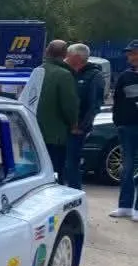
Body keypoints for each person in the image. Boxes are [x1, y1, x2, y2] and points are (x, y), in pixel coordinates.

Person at [36, 40, 79, 185]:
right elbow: (69, 105)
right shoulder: (64, 75)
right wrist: (73, 124)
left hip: (35, 132)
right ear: (65, 54)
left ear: (46, 52)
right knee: (55, 172)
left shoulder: (37, 71)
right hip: (56, 134)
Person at [64, 43, 105, 190]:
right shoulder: (68, 73)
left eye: (68, 56)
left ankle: (74, 192)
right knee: (62, 164)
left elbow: (94, 105)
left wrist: (81, 127)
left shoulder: (95, 76)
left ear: (76, 57)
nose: (65, 59)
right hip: (64, 127)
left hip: (77, 129)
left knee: (72, 164)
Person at [109, 39, 138, 220]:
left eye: (133, 53)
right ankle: (125, 206)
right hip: (127, 127)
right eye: (129, 54)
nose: (130, 57)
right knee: (127, 167)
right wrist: (118, 122)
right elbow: (117, 101)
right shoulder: (125, 76)